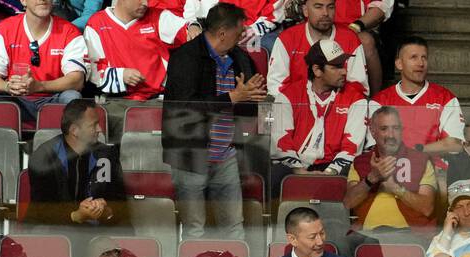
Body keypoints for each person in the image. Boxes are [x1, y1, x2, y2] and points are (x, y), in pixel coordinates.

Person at [162, 1, 266, 242]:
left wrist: (251, 97)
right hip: (190, 154)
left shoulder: (240, 58)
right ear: (222, 33)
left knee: (234, 228)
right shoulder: (185, 58)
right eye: (239, 33)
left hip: (226, 154)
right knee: (195, 229)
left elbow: (247, 109)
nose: (242, 38)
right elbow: (185, 109)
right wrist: (233, 97)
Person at [269, 38, 368, 195]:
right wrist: (300, 171)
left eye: (342, 65)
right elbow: (281, 143)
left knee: (353, 176)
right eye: (336, 67)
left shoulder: (356, 99)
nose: (344, 71)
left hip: (335, 167)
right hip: (295, 166)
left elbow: (351, 147)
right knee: (273, 177)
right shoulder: (288, 96)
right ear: (317, 70)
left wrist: (330, 172)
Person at [343, 104, 436, 251]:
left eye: (396, 128)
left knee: (378, 245)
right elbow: (349, 203)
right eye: (384, 129)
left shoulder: (420, 160)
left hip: (410, 234)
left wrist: (395, 188)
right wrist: (372, 178)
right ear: (373, 132)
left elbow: (427, 208)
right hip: (366, 234)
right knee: (348, 243)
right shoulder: (360, 162)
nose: (391, 135)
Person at [25, 98, 128, 229]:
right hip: (55, 230)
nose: (99, 129)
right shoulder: (44, 157)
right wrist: (76, 216)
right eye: (93, 125)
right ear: (74, 130)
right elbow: (41, 210)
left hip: (98, 232)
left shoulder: (107, 155)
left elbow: (120, 203)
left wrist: (106, 210)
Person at [0, 0, 87, 122]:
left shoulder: (70, 32)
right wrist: (8, 86)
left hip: (53, 99)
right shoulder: (3, 30)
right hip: (15, 100)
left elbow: (76, 81)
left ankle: (65, 140)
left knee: (72, 97)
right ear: (23, 1)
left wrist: (39, 86)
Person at [369, 35, 463, 158]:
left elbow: (455, 145)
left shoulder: (445, 98)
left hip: (435, 171)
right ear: (399, 64)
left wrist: (416, 151)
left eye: (424, 57)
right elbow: (373, 145)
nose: (420, 63)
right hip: (391, 170)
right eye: (414, 57)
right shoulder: (380, 101)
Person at [85, 0, 197, 100]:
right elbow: (93, 69)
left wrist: (193, 26)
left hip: (156, 99)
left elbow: (186, 28)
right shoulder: (96, 23)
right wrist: (121, 75)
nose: (145, 3)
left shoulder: (158, 16)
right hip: (114, 100)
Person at [267, 0, 367, 100]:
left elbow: (359, 88)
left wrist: (328, 105)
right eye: (318, 7)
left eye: (330, 7)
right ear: (305, 10)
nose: (326, 13)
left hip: (340, 111)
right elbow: (276, 87)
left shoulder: (350, 38)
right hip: (296, 109)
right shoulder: (287, 39)